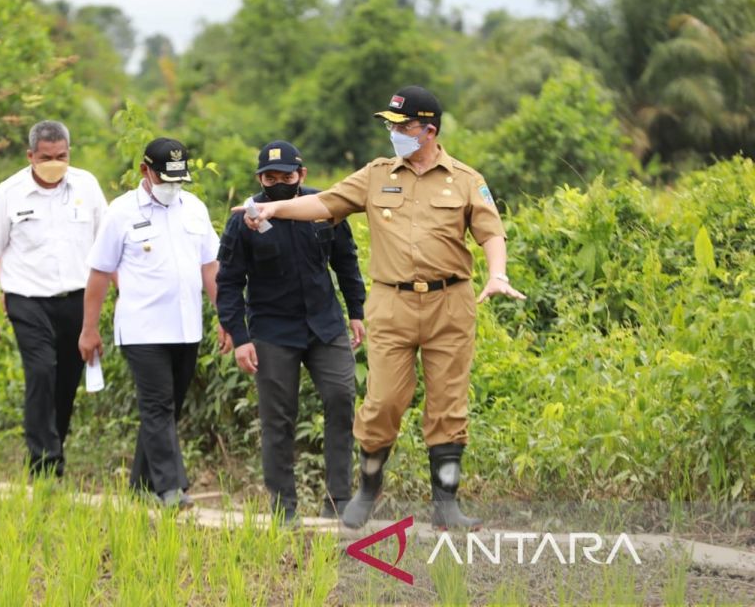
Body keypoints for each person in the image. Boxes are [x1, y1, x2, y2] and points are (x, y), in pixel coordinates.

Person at [241, 86, 527, 531]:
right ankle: (367, 491)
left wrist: (498, 274)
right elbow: (325, 203)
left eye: (402, 125)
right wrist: (274, 206)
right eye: (390, 124)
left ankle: (446, 502)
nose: (393, 132)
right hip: (392, 302)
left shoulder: (466, 180)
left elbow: (491, 232)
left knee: (448, 403)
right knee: (384, 400)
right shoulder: (374, 175)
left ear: (428, 130)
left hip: (450, 302)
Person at [217, 140, 367, 524]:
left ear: (302, 175)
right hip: (272, 330)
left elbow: (346, 262)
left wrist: (356, 312)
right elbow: (229, 282)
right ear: (259, 179)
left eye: (287, 176)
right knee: (278, 417)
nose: (279, 183)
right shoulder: (243, 219)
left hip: (325, 324)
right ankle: (284, 507)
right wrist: (240, 336)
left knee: (340, 399)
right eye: (270, 177)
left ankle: (338, 499)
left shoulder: (323, 209)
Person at [80, 138, 227, 508]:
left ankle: (141, 484)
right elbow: (99, 272)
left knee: (169, 408)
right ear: (145, 171)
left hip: (186, 326)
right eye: (165, 177)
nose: (172, 185)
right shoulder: (121, 212)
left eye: (179, 178)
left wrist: (227, 318)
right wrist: (89, 328)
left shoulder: (193, 208)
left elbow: (210, 266)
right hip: (142, 328)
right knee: (158, 405)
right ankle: (171, 487)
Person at [0, 120, 108, 477]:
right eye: (46, 157)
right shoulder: (8, 194)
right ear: (30, 155)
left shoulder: (87, 186)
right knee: (41, 371)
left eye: (61, 156)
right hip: (26, 299)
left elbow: (107, 248)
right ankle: (45, 462)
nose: (54, 163)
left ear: (69, 153)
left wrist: (123, 294)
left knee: (65, 380)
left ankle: (54, 445)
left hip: (76, 299)